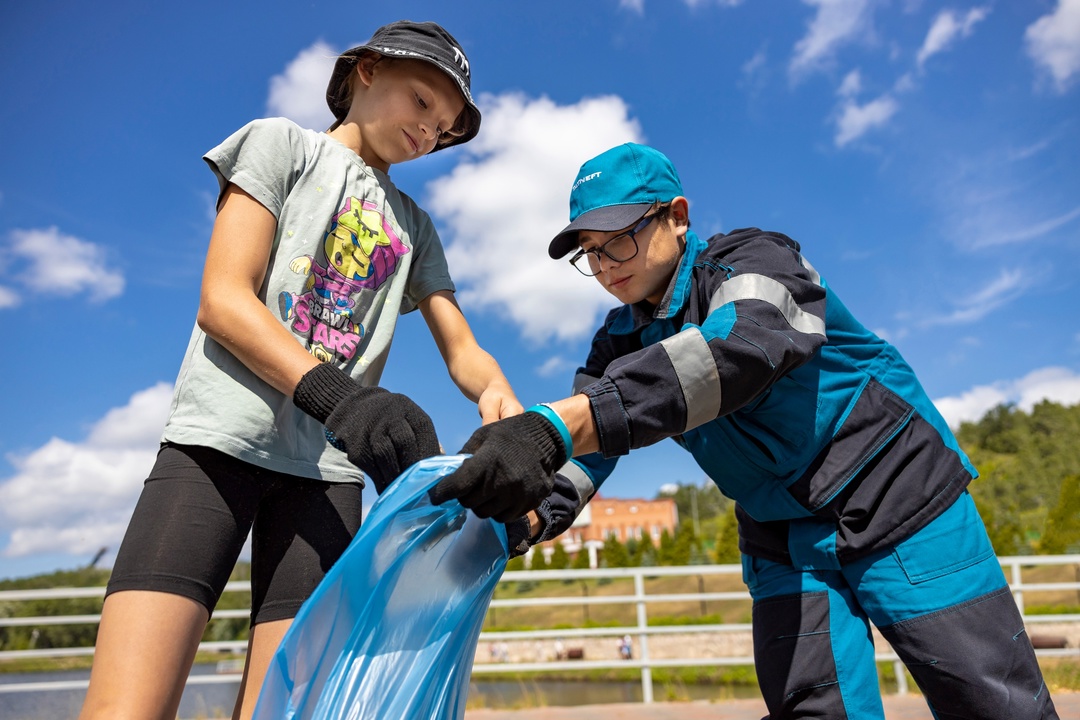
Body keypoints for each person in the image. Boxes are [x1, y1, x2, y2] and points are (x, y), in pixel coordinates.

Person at [430, 143, 1059, 719]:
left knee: (992, 703)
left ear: (676, 215)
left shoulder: (754, 261)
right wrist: (524, 516)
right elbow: (589, 448)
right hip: (780, 531)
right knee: (812, 710)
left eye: (617, 240)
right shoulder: (616, 343)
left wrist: (554, 425)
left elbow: (739, 348)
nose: (603, 266)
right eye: (588, 251)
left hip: (896, 490)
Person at [79, 21, 521, 720]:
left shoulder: (415, 225)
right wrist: (343, 400)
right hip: (217, 442)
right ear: (367, 72)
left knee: (286, 712)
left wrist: (504, 408)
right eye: (422, 102)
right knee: (125, 708)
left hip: (327, 479)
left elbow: (461, 348)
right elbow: (224, 298)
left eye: (446, 125)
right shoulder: (280, 145)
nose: (432, 131)